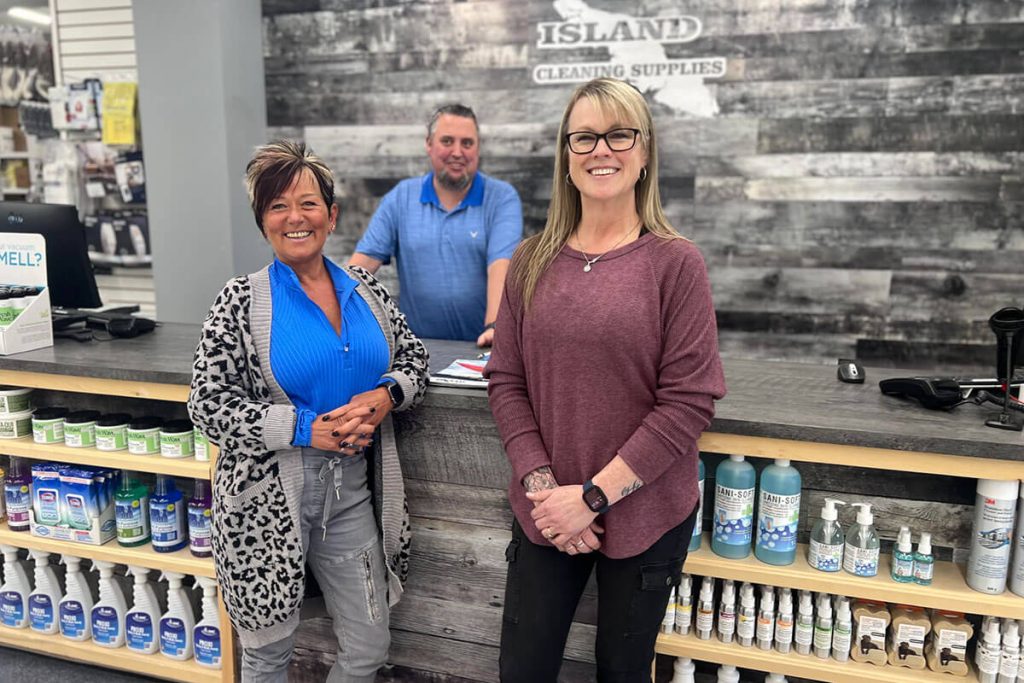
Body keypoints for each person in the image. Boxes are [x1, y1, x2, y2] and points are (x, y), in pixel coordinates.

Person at [485, 78, 727, 682]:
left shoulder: (676, 263)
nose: (602, 150)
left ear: (644, 153)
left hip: (647, 513)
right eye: (585, 137)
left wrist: (591, 498)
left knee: (623, 671)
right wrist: (549, 496)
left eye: (619, 134)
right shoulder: (530, 261)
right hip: (546, 511)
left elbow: (688, 402)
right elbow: (506, 381)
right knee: (523, 670)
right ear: (567, 158)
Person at [188, 140, 429, 683]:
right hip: (264, 502)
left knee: (368, 645)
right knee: (269, 655)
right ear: (263, 222)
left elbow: (414, 356)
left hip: (350, 493)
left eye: (308, 203)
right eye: (277, 206)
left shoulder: (366, 289)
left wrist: (387, 392)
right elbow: (207, 405)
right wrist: (302, 429)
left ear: (331, 214)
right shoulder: (241, 301)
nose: (295, 217)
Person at [349, 103, 523, 346]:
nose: (457, 152)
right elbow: (360, 270)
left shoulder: (502, 198)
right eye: (447, 141)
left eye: (467, 143)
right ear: (429, 144)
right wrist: (331, 314)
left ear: (478, 149)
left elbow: (501, 265)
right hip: (417, 351)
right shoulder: (401, 197)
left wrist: (494, 328)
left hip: (481, 347)